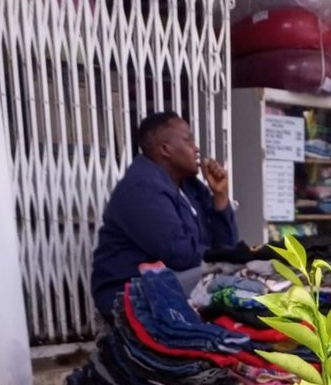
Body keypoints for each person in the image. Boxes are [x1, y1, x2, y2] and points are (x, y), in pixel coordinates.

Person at [91, 112, 238, 319]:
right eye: (188, 140)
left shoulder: (190, 188)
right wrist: (224, 257)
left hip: (171, 281)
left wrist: (220, 197)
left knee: (241, 272)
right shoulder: (142, 188)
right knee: (232, 277)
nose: (196, 149)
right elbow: (179, 255)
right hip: (131, 291)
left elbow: (229, 247)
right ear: (165, 149)